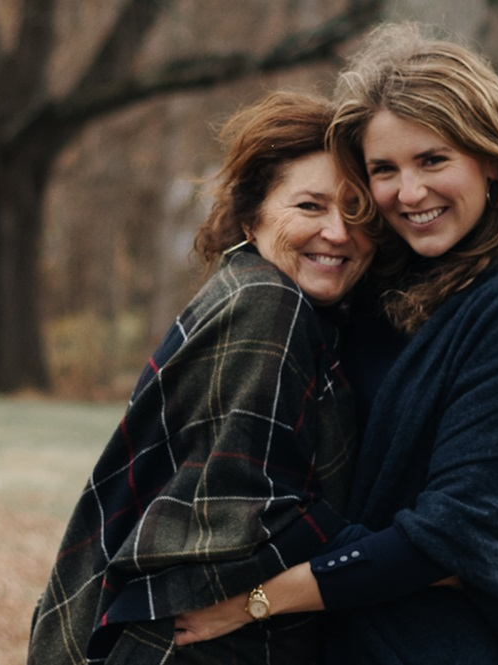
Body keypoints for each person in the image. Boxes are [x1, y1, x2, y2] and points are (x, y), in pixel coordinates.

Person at [173, 22, 498, 664]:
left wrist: (254, 600)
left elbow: (455, 534)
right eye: (384, 170)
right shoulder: (373, 281)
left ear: (490, 158)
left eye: (433, 160)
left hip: (451, 644)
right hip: (337, 637)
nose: (409, 193)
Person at [26, 91, 374, 665]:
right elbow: (252, 517)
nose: (339, 232)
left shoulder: (259, 295)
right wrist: (411, 555)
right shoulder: (270, 304)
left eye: (358, 212)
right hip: (199, 645)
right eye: (310, 206)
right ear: (252, 217)